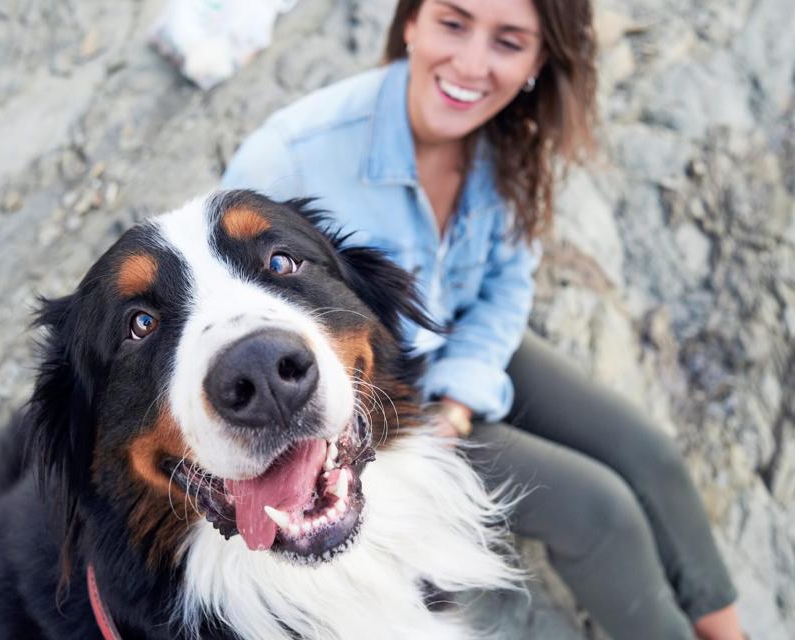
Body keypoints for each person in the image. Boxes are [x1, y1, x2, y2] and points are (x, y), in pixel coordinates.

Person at [220, 1, 746, 638]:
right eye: (453, 22)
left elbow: (507, 283)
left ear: (537, 60)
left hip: (462, 343)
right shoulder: (290, 159)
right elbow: (240, 317)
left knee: (652, 455)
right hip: (372, 398)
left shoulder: (510, 142)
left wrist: (465, 392)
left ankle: (729, 630)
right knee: (602, 513)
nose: (471, 64)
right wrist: (437, 418)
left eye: (508, 41)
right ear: (410, 21)